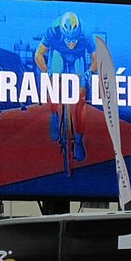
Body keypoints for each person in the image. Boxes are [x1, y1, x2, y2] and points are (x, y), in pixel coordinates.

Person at [34, 11, 97, 161]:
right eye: (68, 40)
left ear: (79, 34)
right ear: (61, 33)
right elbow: (39, 55)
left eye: (74, 40)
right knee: (53, 83)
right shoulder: (52, 30)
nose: (71, 43)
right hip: (58, 54)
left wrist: (89, 72)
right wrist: (47, 71)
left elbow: (96, 58)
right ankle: (54, 114)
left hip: (78, 57)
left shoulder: (87, 33)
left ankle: (79, 139)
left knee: (81, 99)